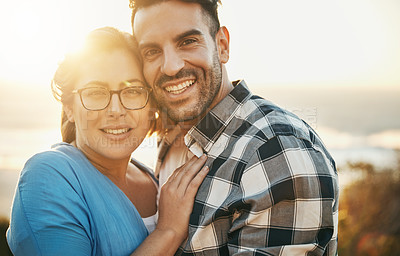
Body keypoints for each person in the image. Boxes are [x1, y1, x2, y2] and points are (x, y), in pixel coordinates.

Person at [130, 0, 339, 255]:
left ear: (222, 46)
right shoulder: (174, 135)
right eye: (152, 51)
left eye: (187, 41)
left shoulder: (276, 151)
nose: (171, 66)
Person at [6, 26, 209, 256]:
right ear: (70, 108)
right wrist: (168, 232)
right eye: (95, 92)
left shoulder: (152, 179)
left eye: (132, 91)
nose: (116, 110)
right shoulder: (47, 176)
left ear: (151, 106)